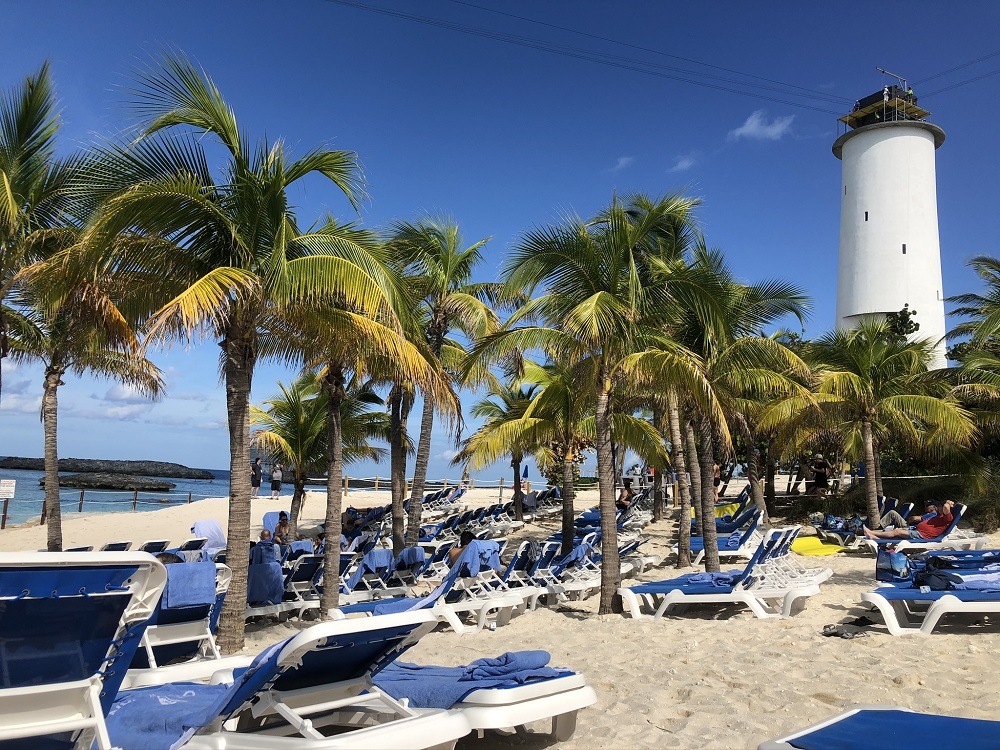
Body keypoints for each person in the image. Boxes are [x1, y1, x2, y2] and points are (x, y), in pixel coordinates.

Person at [864, 500, 954, 540]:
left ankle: (872, 533)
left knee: (897, 532)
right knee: (895, 531)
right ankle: (874, 536)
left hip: (922, 535)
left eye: (939, 507)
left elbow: (946, 507)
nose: (938, 508)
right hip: (916, 530)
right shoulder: (939, 515)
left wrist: (948, 502)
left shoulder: (947, 518)